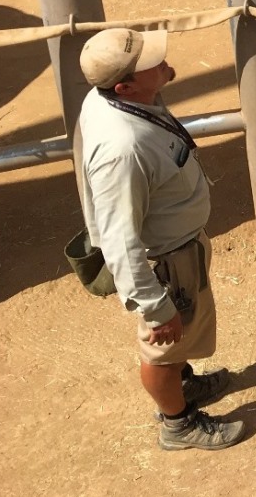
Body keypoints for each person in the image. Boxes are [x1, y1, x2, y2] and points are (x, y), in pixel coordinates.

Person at [77, 27, 243, 451]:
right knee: (163, 346)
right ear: (125, 86)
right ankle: (178, 423)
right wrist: (154, 306)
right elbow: (119, 239)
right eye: (152, 61)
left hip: (180, 247)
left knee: (180, 338)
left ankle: (181, 385)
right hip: (168, 262)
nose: (164, 60)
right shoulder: (121, 150)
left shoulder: (112, 98)